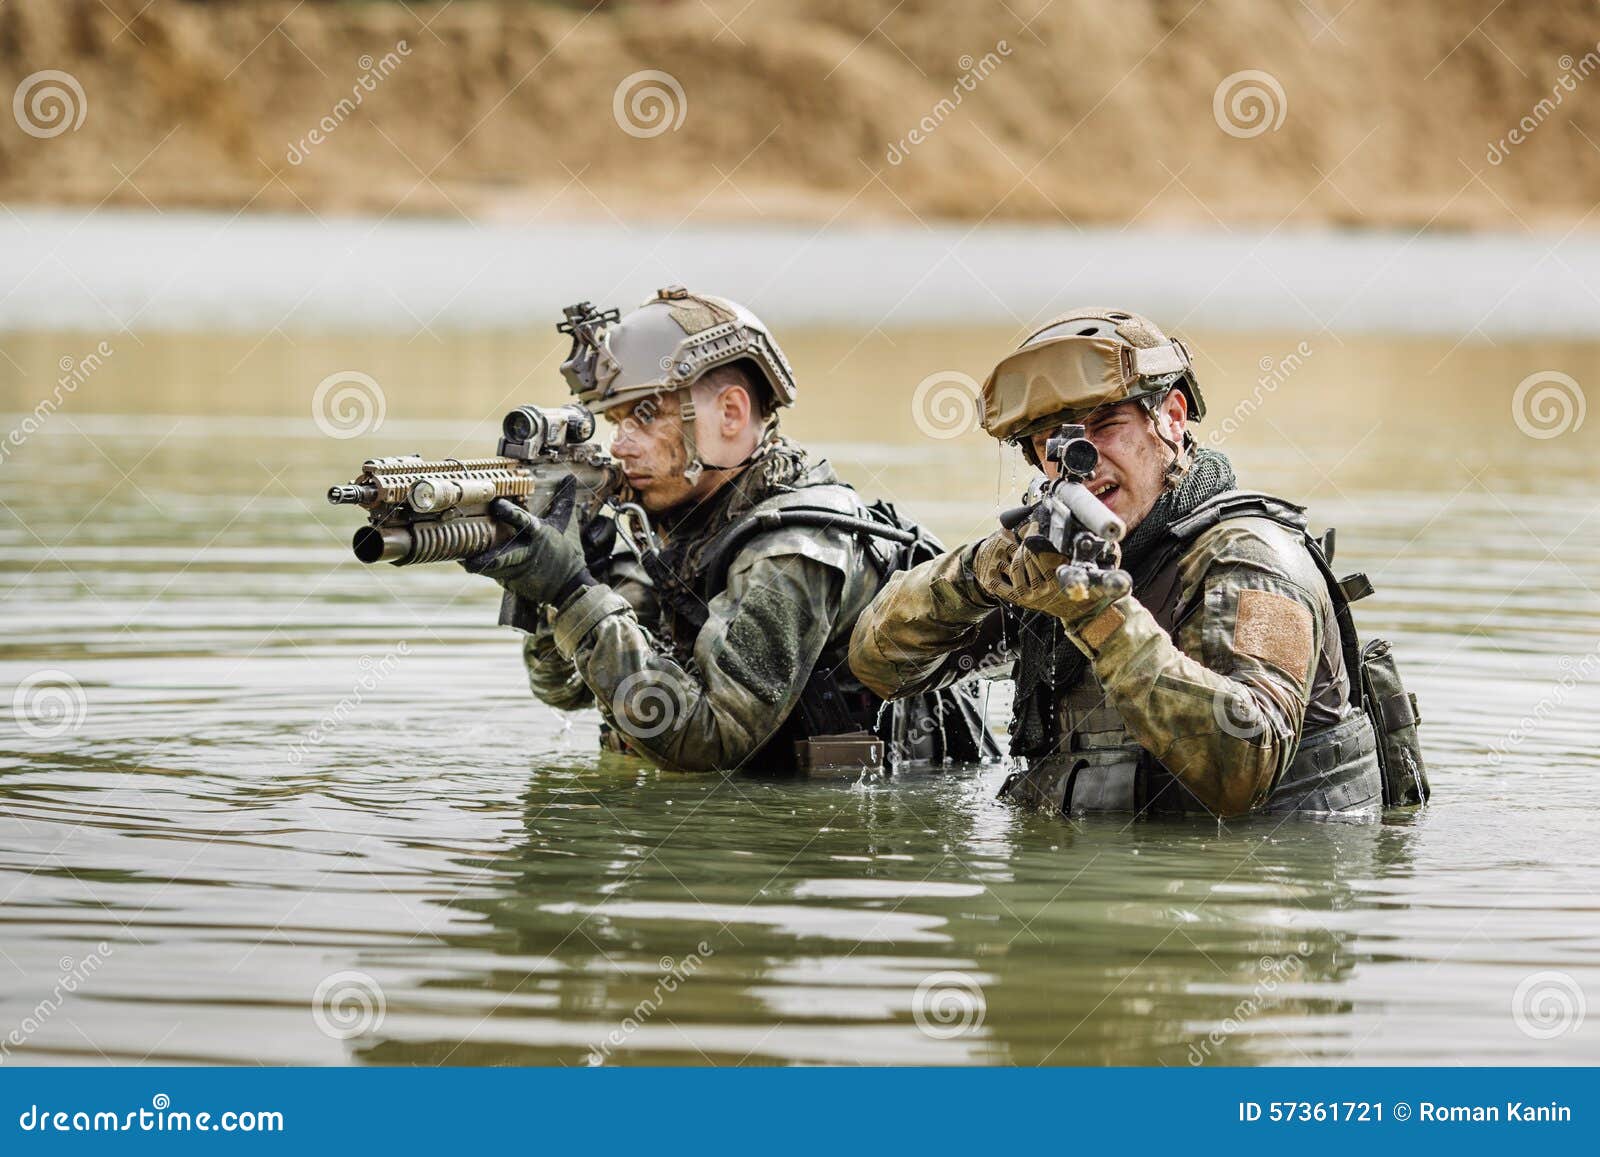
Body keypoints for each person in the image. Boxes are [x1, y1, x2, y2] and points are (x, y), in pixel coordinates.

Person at [849, 307, 1399, 818]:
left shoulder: (1253, 559)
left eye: (1107, 425)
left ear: (1172, 419)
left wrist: (1099, 615)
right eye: (1054, 444)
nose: (1084, 462)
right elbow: (879, 665)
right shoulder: (1054, 556)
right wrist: (972, 577)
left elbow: (1242, 767)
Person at [461, 285, 996, 774]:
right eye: (614, 422)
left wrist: (572, 590)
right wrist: (560, 585)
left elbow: (711, 742)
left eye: (644, 418)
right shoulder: (680, 527)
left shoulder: (794, 551)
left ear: (731, 414)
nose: (620, 446)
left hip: (836, 846)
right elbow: (565, 690)